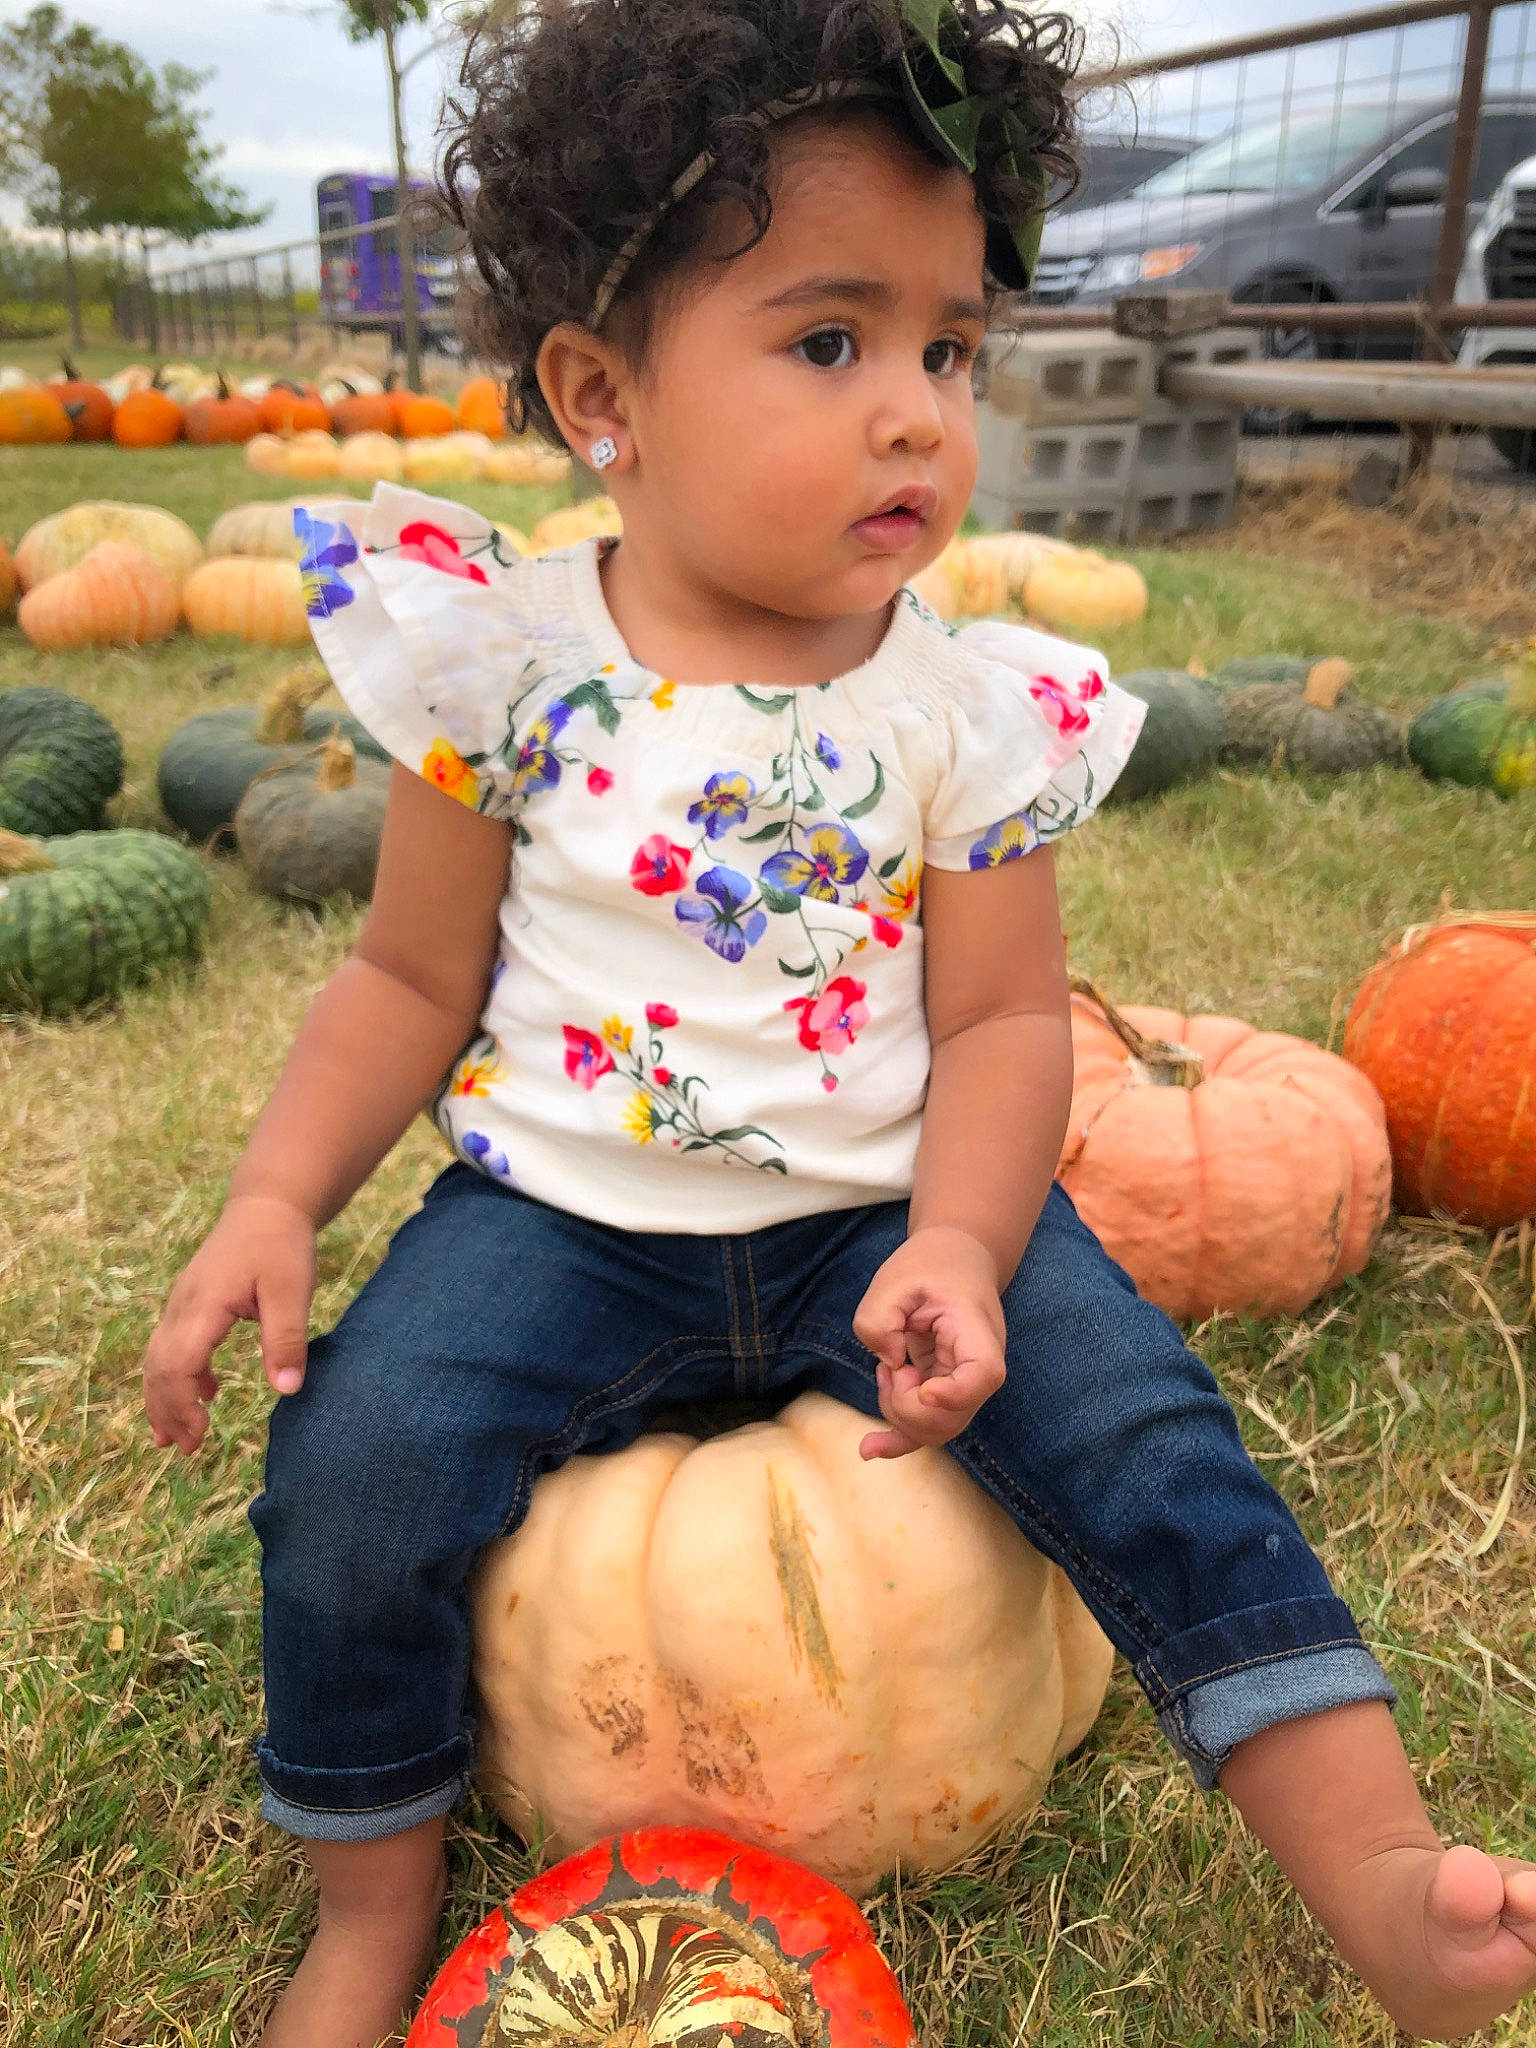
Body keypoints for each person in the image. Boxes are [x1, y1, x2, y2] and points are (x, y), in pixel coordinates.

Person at [140, 1, 1536, 2042]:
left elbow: (998, 1031)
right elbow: (405, 983)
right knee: (360, 1467)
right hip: (559, 1223)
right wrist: (277, 1196)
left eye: (949, 347)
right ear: (603, 392)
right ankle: (367, 1905)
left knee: (1153, 1436)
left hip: (891, 1205)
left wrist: (969, 1241)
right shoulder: (503, 667)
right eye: (830, 342)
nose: (917, 414)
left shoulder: (971, 704)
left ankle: (1391, 1881)